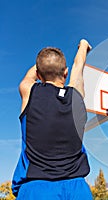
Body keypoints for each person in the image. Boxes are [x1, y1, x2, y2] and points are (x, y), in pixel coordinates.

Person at [12, 39, 93, 199]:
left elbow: (29, 77)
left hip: (37, 189)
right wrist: (83, 46)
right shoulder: (76, 96)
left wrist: (44, 63)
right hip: (76, 189)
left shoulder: (29, 91)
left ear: (39, 74)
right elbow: (78, 66)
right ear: (65, 73)